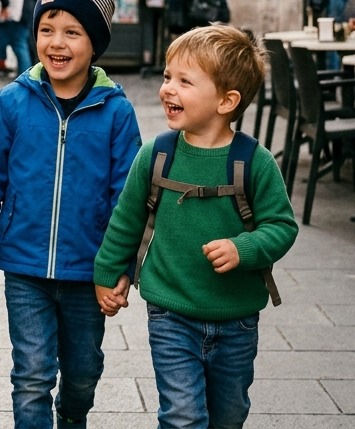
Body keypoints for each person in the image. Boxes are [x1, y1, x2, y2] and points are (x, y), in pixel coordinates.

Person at [95, 26, 297, 429]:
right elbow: (126, 220)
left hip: (237, 317)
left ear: (227, 101)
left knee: (229, 415)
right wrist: (107, 273)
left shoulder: (254, 161)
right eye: (168, 77)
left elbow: (281, 226)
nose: (168, 88)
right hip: (170, 311)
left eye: (185, 81)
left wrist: (246, 248)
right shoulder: (156, 155)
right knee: (182, 416)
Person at [0, 0, 142, 428]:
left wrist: (121, 270)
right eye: (47, 30)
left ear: (95, 44)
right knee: (31, 376)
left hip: (90, 272)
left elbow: (128, 200)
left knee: (83, 374)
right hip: (25, 267)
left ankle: (71, 419)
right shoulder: (13, 102)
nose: (57, 42)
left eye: (73, 32)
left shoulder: (116, 111)